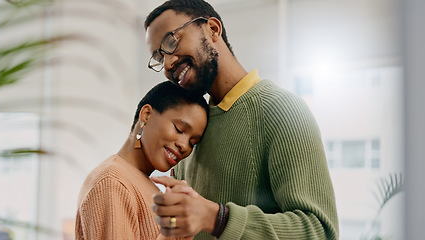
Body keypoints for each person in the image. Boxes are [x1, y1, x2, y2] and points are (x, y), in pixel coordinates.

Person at [144, 0, 339, 239]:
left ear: (213, 29)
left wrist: (217, 218)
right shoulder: (192, 132)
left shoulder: (282, 110)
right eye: (158, 56)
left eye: (171, 41)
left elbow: (320, 230)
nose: (167, 64)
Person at [74, 81, 209, 240]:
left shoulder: (138, 182)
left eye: (192, 142)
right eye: (179, 129)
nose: (184, 145)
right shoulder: (112, 181)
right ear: (146, 115)